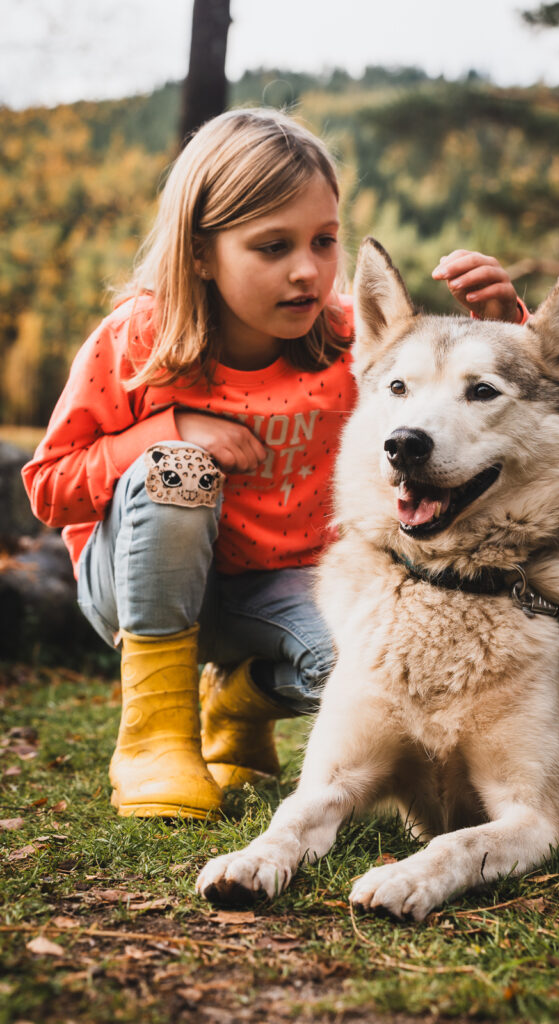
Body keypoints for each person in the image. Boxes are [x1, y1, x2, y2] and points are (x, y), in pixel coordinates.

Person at [22, 108, 528, 821]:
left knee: (373, 670)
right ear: (200, 253)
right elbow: (49, 488)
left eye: (324, 241)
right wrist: (170, 429)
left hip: (287, 590)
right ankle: (156, 736)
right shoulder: (139, 338)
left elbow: (466, 413)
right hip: (143, 586)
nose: (307, 271)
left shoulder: (354, 337)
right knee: (178, 470)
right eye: (271, 247)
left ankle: (238, 702)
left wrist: (504, 326)